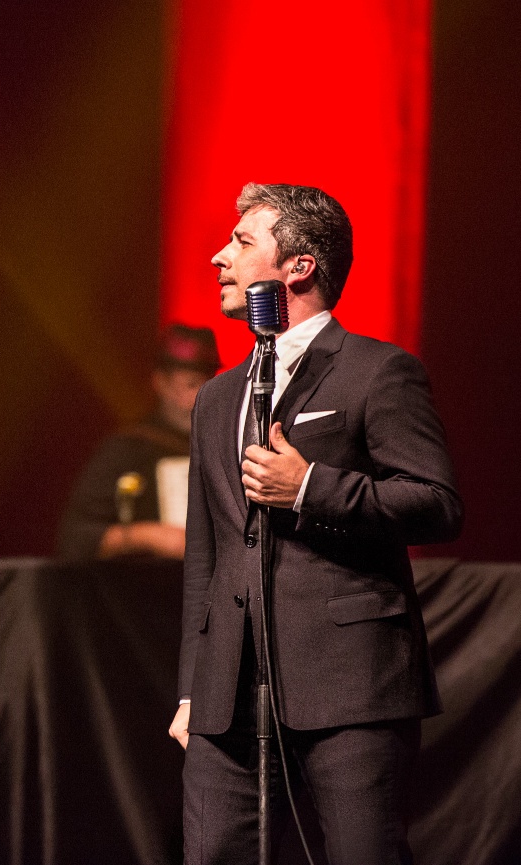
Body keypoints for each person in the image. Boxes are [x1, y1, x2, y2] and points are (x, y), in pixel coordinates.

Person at [167, 183, 461, 864]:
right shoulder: (216, 398)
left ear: (298, 267)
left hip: (349, 686)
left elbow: (437, 503)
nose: (218, 257)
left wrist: (309, 488)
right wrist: (191, 687)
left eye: (241, 242)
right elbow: (205, 558)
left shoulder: (378, 372)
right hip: (227, 696)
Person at [55, 324, 220, 560]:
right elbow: (75, 538)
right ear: (161, 383)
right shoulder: (127, 449)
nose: (202, 396)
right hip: (145, 579)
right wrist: (150, 537)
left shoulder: (226, 446)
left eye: (210, 384)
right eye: (192, 384)